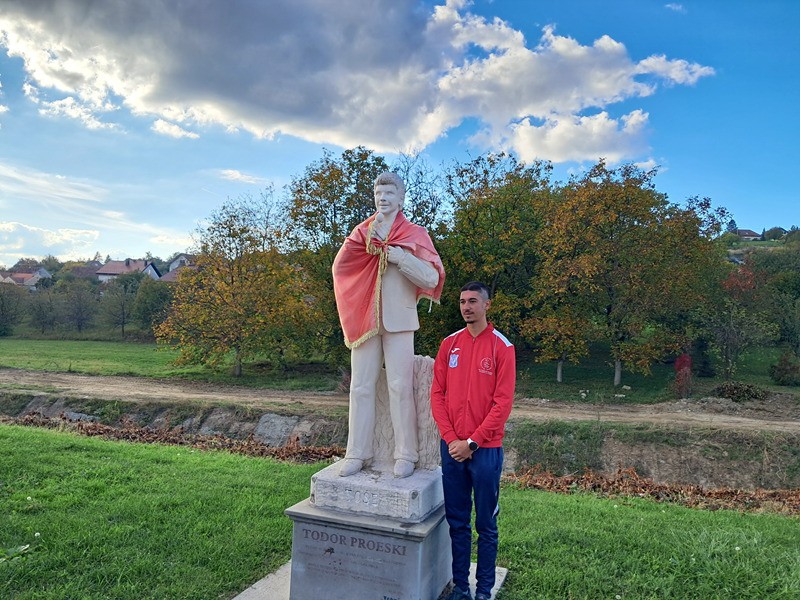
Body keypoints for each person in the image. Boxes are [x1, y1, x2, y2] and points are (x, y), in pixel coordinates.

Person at [332, 172, 445, 478]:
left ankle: (406, 453)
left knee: (400, 386)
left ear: (401, 198)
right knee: (360, 387)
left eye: (389, 193)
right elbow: (341, 268)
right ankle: (357, 452)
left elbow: (431, 277)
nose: (383, 198)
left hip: (400, 319)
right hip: (365, 318)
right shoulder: (362, 233)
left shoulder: (415, 234)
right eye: (378, 193)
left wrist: (400, 258)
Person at [430, 281, 515, 600]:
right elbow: (437, 395)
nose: (466, 307)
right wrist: (452, 439)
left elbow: (502, 404)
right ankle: (461, 587)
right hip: (452, 449)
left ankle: (484, 589)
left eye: (473, 301)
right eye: (463, 302)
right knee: (458, 522)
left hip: (485, 450)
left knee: (486, 525)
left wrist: (473, 442)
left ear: (486, 305)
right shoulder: (449, 344)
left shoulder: (501, 347)